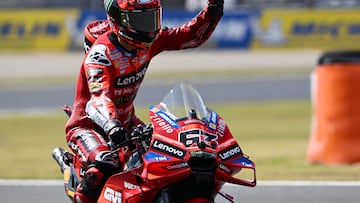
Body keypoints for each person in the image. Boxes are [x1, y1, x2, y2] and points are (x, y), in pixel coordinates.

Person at [64, 0, 224, 202]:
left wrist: (213, 10)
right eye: (142, 19)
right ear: (120, 20)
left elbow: (189, 35)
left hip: (127, 124)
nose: (150, 27)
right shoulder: (101, 55)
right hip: (89, 126)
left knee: (169, 157)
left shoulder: (149, 42)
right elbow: (98, 99)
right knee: (106, 162)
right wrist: (112, 126)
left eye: (153, 18)